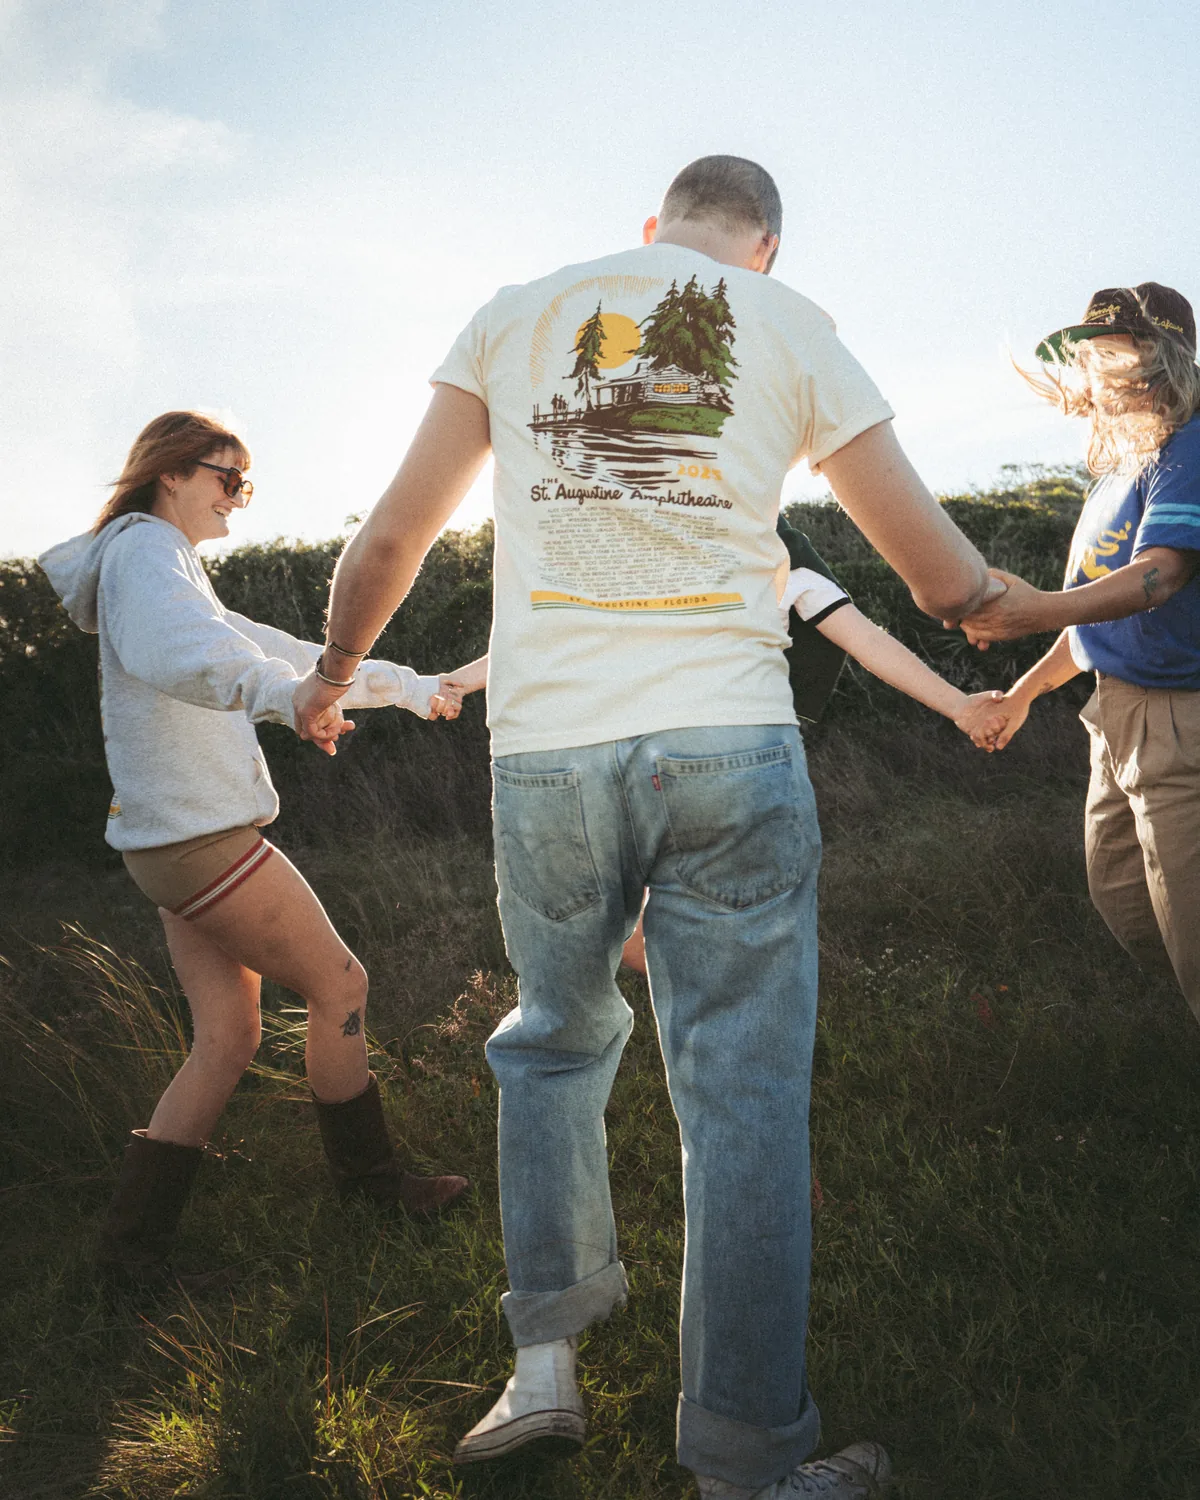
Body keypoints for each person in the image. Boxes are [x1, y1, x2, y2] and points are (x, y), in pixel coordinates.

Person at [294, 156, 1006, 1500]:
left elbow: (392, 535)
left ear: (653, 227)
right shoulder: (792, 325)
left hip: (553, 753)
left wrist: (336, 669)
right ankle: (746, 1459)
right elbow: (941, 577)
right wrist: (1023, 609)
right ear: (767, 248)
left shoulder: (518, 309)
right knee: (740, 1097)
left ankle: (544, 1371)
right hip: (728, 738)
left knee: (551, 1047)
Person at [38, 411, 470, 1292]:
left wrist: (411, 689)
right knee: (340, 985)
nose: (238, 497)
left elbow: (279, 653)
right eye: (227, 478)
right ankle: (375, 1189)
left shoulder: (164, 563)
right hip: (200, 838)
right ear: (170, 473)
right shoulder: (145, 553)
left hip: (172, 839)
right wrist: (285, 698)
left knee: (227, 1037)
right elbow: (187, 654)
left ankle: (126, 1262)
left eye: (246, 484)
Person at [441, 529, 1010, 978]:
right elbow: (865, 640)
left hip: (627, 757)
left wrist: (460, 681)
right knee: (699, 938)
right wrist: (959, 706)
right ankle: (705, 999)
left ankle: (680, 993)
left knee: (631, 932)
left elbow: (557, 634)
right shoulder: (779, 550)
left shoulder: (663, 541)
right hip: (726, 760)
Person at [958, 284, 1200, 1022]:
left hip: (1179, 722)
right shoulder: (1117, 471)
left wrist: (1033, 610)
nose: (1096, 368)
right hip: (1115, 717)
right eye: (1090, 353)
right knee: (1125, 901)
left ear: (1164, 360)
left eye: (1115, 351)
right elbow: (1091, 621)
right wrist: (1025, 692)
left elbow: (1158, 574)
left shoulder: (1188, 447)